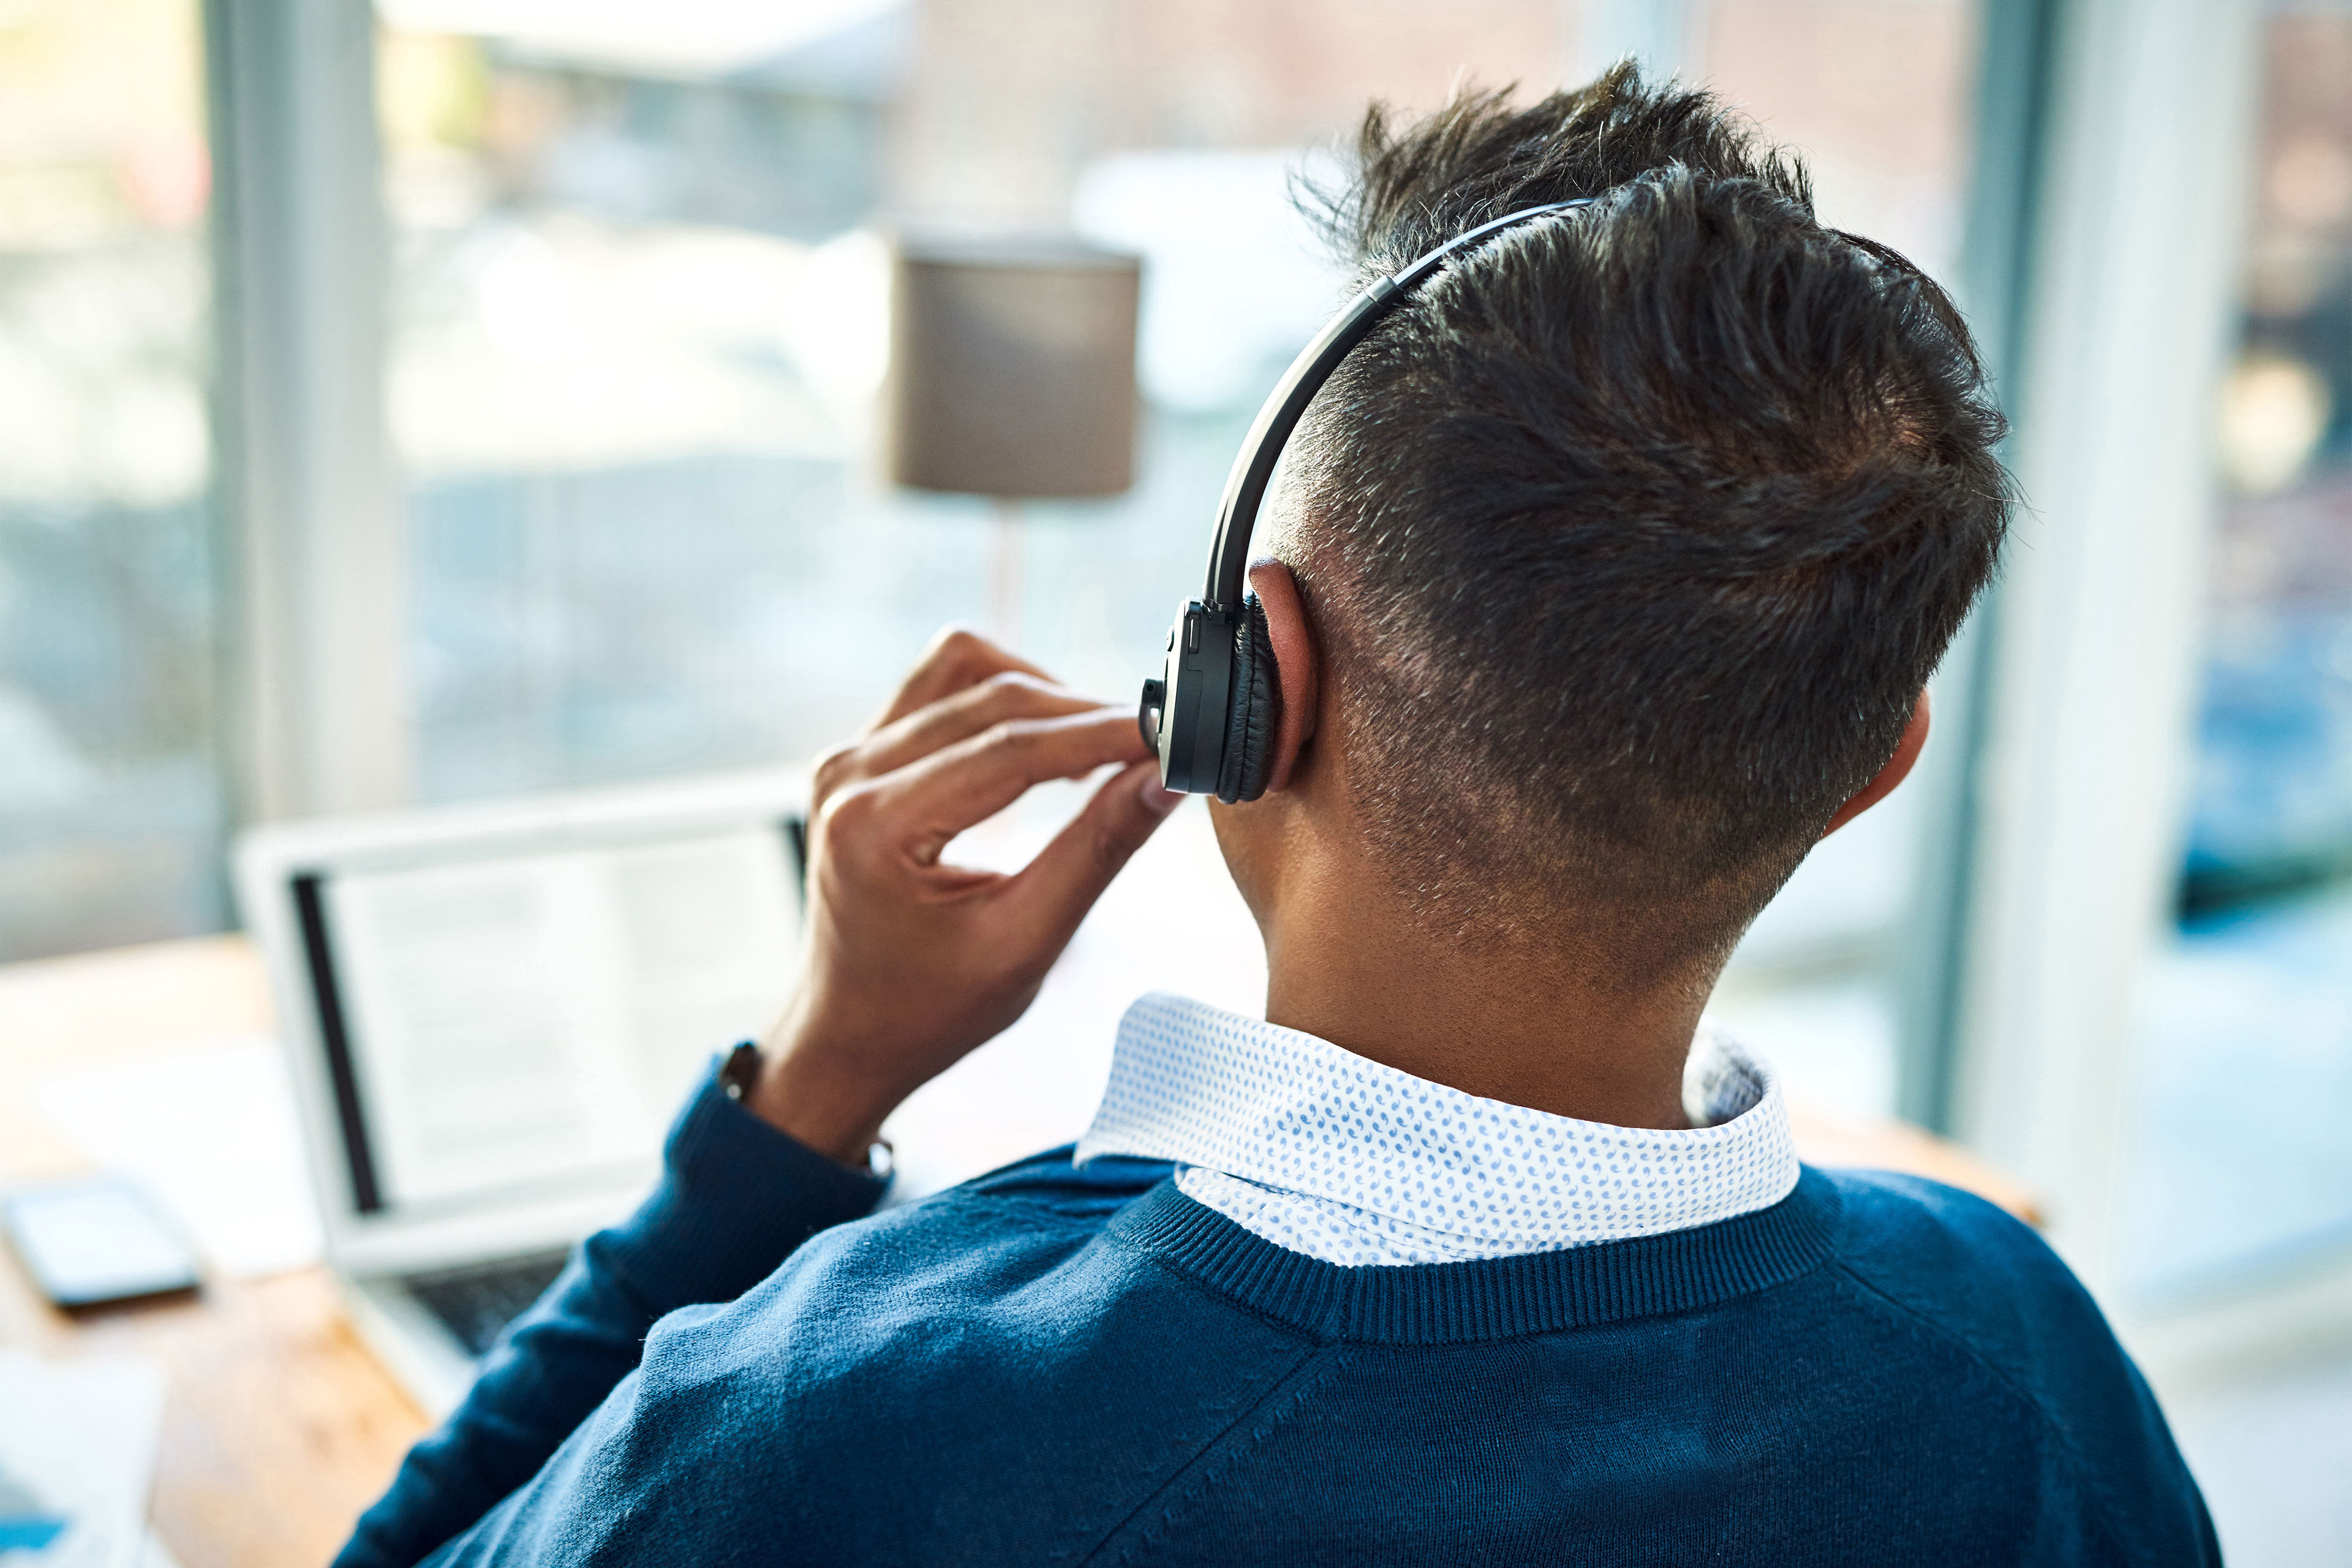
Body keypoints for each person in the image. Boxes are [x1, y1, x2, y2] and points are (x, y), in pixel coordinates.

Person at [337, 66, 2215, 1566]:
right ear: (1873, 759)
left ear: (1260, 684)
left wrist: (812, 1095)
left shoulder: (832, 1431)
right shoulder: (2022, 1356)